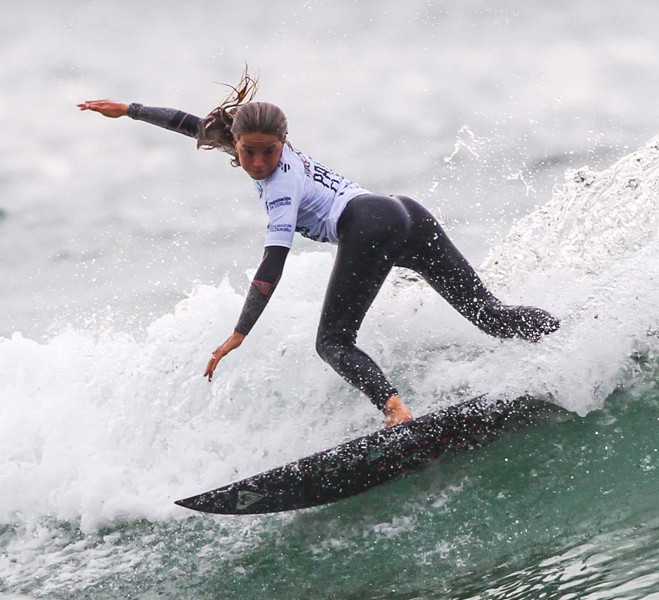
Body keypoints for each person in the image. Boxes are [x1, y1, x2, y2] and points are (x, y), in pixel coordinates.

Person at [78, 73, 559, 427]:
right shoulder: (251, 145)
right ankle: (571, 337)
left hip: (369, 224)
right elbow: (192, 124)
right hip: (402, 211)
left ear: (283, 144)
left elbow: (273, 262)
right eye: (249, 152)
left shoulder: (281, 185)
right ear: (237, 144)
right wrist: (131, 110)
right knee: (492, 315)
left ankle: (397, 412)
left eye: (270, 151)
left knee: (332, 342)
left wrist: (239, 333)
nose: (260, 162)